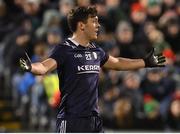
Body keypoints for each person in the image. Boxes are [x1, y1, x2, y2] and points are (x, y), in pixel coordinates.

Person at [19, 6, 166, 132]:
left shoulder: (96, 51)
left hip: (93, 120)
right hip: (71, 120)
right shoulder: (64, 50)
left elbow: (118, 63)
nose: (98, 25)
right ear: (82, 25)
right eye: (94, 21)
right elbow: (44, 66)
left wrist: (145, 62)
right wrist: (31, 67)